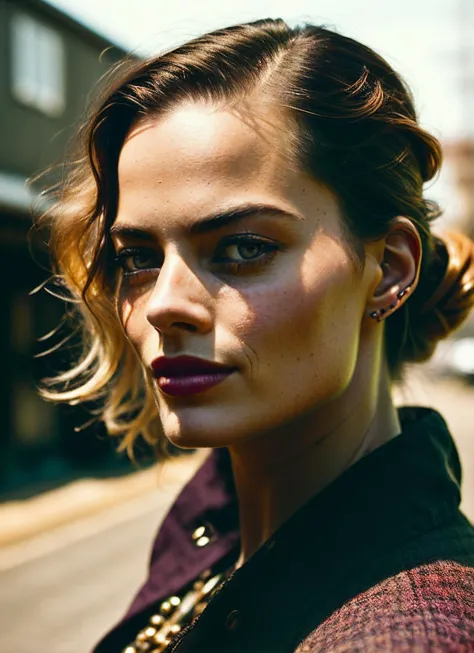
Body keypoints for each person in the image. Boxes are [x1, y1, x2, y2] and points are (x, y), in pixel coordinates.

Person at [36, 18, 474, 653]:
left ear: (389, 269)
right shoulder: (219, 533)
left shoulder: (408, 634)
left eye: (243, 247)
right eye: (138, 257)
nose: (163, 305)